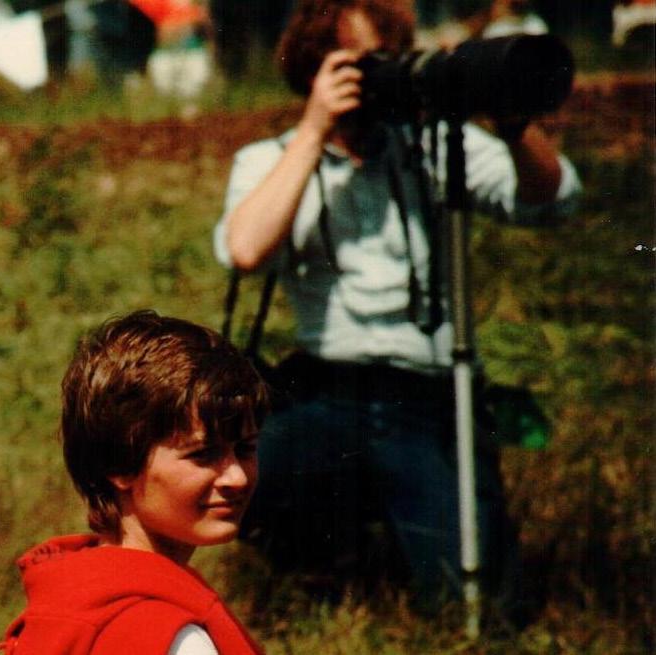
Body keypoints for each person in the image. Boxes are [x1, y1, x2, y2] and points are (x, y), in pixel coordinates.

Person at [213, 0, 581, 618]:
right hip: (324, 390)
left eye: (389, 60)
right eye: (360, 63)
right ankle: (324, 562)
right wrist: (314, 130)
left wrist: (514, 125)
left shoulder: (434, 145)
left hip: (426, 394)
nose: (378, 76)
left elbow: (552, 199)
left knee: (481, 600)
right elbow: (246, 249)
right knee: (245, 475)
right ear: (314, 69)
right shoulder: (271, 157)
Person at [0, 311, 266, 655]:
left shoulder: (67, 596)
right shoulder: (176, 639)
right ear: (119, 463)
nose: (237, 476)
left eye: (245, 449)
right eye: (203, 454)